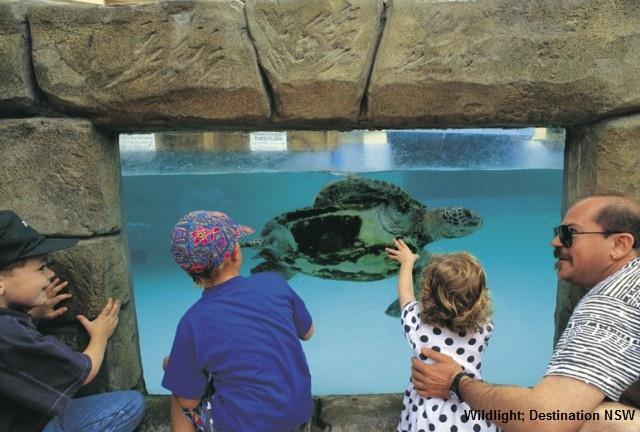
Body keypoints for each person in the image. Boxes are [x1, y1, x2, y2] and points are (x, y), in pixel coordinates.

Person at [410, 194, 640, 432]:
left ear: (619, 244)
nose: (555, 242)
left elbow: (544, 420)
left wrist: (457, 383)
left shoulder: (614, 300)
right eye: (558, 231)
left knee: (605, 419)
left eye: (569, 233)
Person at [162, 210, 314, 432]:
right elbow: (308, 333)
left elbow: (189, 402)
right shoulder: (274, 283)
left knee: (177, 386)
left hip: (245, 425)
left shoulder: (192, 322)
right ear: (235, 252)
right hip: (297, 414)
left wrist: (175, 373)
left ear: (188, 271)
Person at [0, 210, 145, 432]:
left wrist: (31, 316)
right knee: (128, 405)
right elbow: (85, 373)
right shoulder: (8, 334)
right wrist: (100, 336)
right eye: (41, 268)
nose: (49, 275)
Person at [386, 238, 498, 432]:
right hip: (472, 412)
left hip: (428, 419)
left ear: (427, 293)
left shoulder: (418, 327)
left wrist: (407, 262)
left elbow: (405, 294)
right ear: (481, 297)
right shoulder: (483, 329)